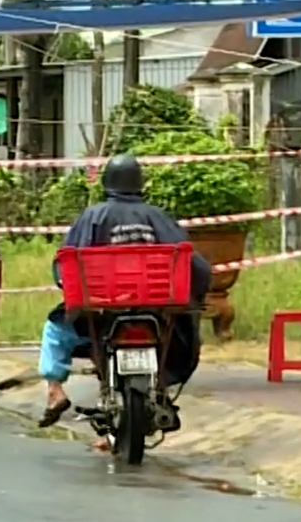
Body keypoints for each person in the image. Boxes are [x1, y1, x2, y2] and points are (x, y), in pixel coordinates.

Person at [38, 154, 211, 427]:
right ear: (140, 184)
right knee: (179, 330)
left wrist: (64, 284)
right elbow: (194, 263)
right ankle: (161, 390)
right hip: (155, 306)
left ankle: (55, 391)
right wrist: (199, 293)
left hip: (102, 307)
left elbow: (67, 262)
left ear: (107, 184)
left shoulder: (92, 216)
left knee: (54, 329)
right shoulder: (158, 216)